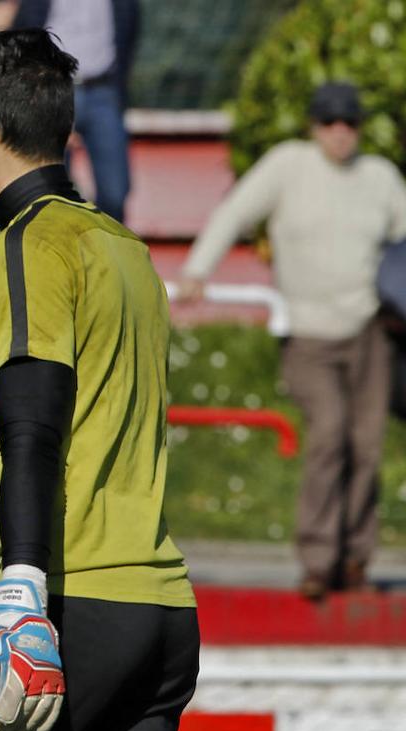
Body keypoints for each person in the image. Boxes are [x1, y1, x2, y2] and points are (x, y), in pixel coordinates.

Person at [0, 29, 198, 731]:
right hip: (162, 614)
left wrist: (23, 589)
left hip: (80, 609)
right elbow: (101, 437)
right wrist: (4, 558)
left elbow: (34, 426)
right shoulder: (126, 250)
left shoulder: (29, 245)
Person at [178, 81, 406, 601]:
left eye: (350, 122)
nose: (341, 133)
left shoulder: (380, 177)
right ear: (313, 126)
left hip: (370, 329)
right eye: (330, 122)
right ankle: (317, 558)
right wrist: (197, 269)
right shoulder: (287, 165)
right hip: (305, 332)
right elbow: (235, 212)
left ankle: (354, 559)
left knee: (366, 445)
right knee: (329, 432)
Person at [10, 0, 140, 224]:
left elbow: (130, 27)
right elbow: (26, 26)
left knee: (115, 191)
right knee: (50, 189)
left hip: (103, 89)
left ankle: (106, 251)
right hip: (53, 87)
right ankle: (59, 252)